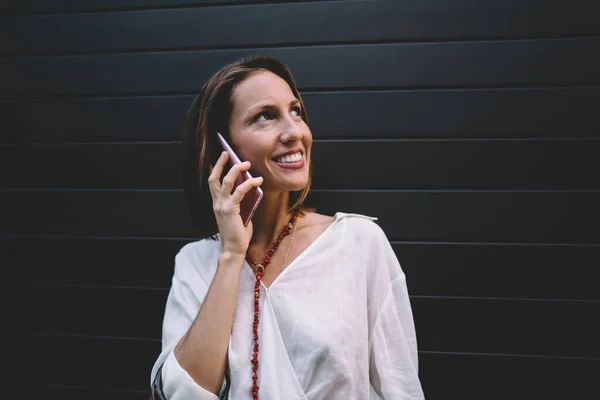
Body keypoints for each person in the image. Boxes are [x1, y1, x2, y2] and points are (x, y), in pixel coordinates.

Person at [150, 55, 425, 400]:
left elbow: (400, 388)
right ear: (224, 150)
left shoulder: (358, 244)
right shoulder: (195, 263)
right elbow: (181, 394)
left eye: (295, 111)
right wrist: (232, 254)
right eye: (265, 116)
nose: (295, 132)